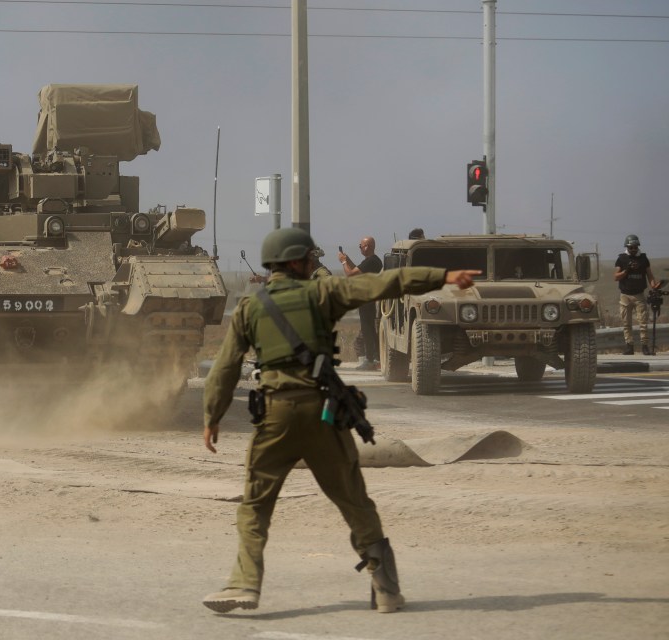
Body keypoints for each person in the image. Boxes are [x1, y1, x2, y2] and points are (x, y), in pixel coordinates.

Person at [201, 227, 479, 614]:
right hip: (323, 415)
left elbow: (225, 368)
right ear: (297, 262)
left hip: (275, 418)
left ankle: (245, 583)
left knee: (254, 506)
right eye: (310, 260)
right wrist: (443, 277)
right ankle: (386, 589)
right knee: (354, 502)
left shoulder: (250, 307)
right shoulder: (323, 293)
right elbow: (386, 283)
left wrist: (212, 416)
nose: (315, 264)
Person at [337, 237, 382, 370]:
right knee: (370, 329)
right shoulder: (373, 261)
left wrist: (343, 261)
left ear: (367, 246)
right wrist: (348, 259)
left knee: (367, 329)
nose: (360, 248)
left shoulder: (371, 261)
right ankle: (375, 358)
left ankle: (370, 360)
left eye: (361, 246)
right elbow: (358, 269)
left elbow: (351, 274)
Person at [614, 234, 659, 355]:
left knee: (643, 322)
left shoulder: (643, 259)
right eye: (631, 247)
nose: (633, 249)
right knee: (626, 323)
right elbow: (616, 277)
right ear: (627, 247)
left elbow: (650, 275)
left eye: (635, 247)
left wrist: (654, 287)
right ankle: (629, 346)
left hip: (639, 294)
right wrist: (627, 270)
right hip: (625, 295)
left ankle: (645, 346)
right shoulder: (622, 259)